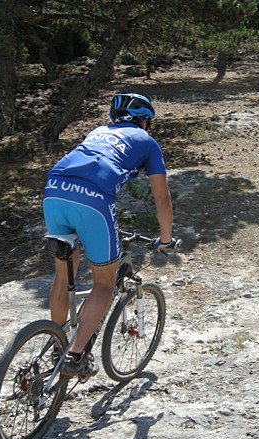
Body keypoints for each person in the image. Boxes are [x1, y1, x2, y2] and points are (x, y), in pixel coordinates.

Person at [43, 93, 176, 377]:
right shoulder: (148, 143)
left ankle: (56, 345)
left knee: (64, 274)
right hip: (93, 199)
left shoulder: (98, 131)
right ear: (143, 119)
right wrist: (166, 240)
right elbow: (161, 198)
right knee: (104, 283)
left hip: (54, 189)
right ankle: (75, 357)